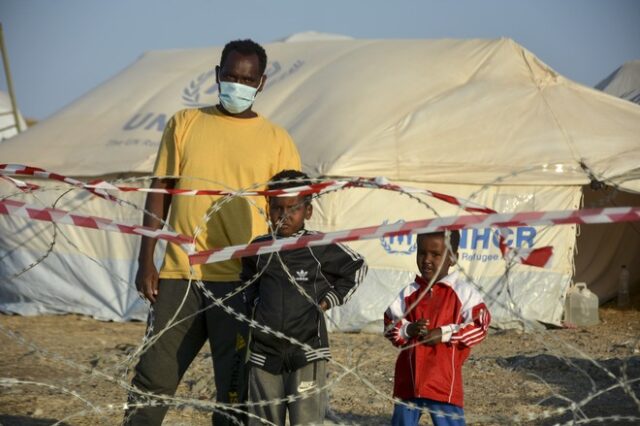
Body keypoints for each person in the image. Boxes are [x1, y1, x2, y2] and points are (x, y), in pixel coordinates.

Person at [125, 39, 301, 425]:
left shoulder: (278, 141)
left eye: (247, 79)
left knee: (234, 390)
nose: (237, 85)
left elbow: (291, 215)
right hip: (180, 276)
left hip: (243, 282)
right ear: (217, 75)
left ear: (262, 83)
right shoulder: (184, 124)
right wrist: (145, 260)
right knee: (153, 377)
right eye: (231, 76)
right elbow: (160, 193)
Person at [241, 170, 367, 426]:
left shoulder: (318, 245)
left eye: (293, 208)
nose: (283, 215)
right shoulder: (258, 248)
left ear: (308, 212)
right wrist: (254, 305)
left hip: (307, 351)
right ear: (268, 208)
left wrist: (328, 300)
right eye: (277, 208)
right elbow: (246, 281)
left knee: (306, 421)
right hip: (264, 353)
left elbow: (357, 266)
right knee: (262, 420)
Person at [383, 230, 491, 426]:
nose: (427, 260)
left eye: (435, 254)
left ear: (452, 258)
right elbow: (390, 323)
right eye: (422, 253)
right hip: (409, 380)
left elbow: (480, 324)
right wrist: (408, 330)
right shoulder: (410, 293)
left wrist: (445, 333)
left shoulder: (462, 293)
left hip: (442, 381)